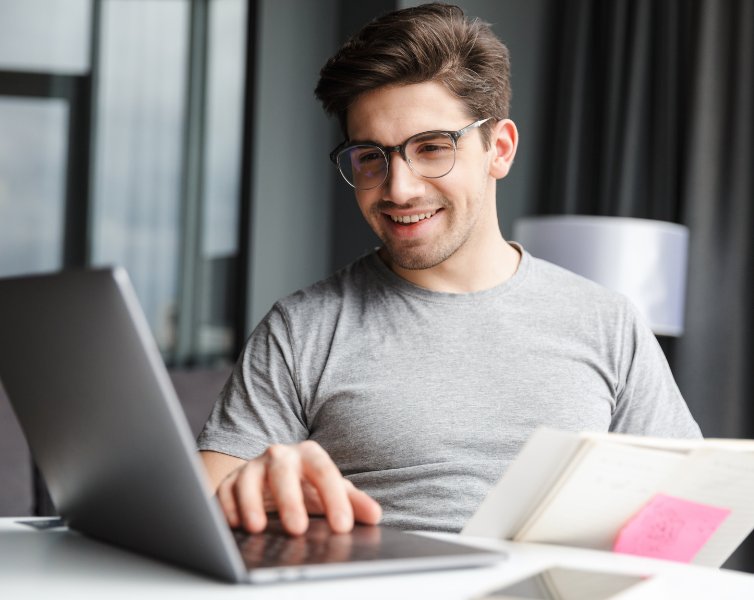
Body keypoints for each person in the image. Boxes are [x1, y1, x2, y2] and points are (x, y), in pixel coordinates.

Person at [198, 3, 701, 538]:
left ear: (499, 149)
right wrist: (251, 489)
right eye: (371, 157)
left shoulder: (609, 323)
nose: (399, 189)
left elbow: (691, 516)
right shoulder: (302, 328)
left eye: (432, 148)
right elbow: (197, 510)